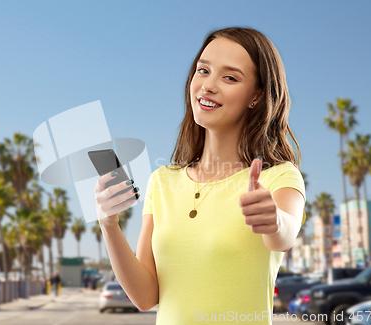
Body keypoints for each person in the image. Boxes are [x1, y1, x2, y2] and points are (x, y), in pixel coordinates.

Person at [94, 27, 306, 325]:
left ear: (256, 96)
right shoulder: (162, 181)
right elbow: (144, 297)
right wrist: (109, 224)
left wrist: (274, 221)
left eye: (229, 77)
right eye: (202, 70)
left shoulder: (279, 178)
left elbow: (283, 235)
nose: (207, 85)